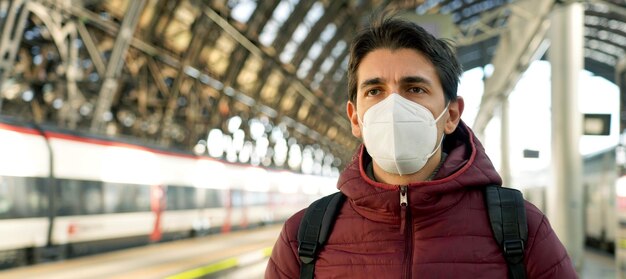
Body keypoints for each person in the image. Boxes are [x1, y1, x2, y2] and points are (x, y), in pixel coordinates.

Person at [265, 14, 577, 278]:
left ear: (451, 114)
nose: (393, 105)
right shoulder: (303, 238)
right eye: (374, 91)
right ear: (355, 118)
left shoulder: (522, 229)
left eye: (414, 88)